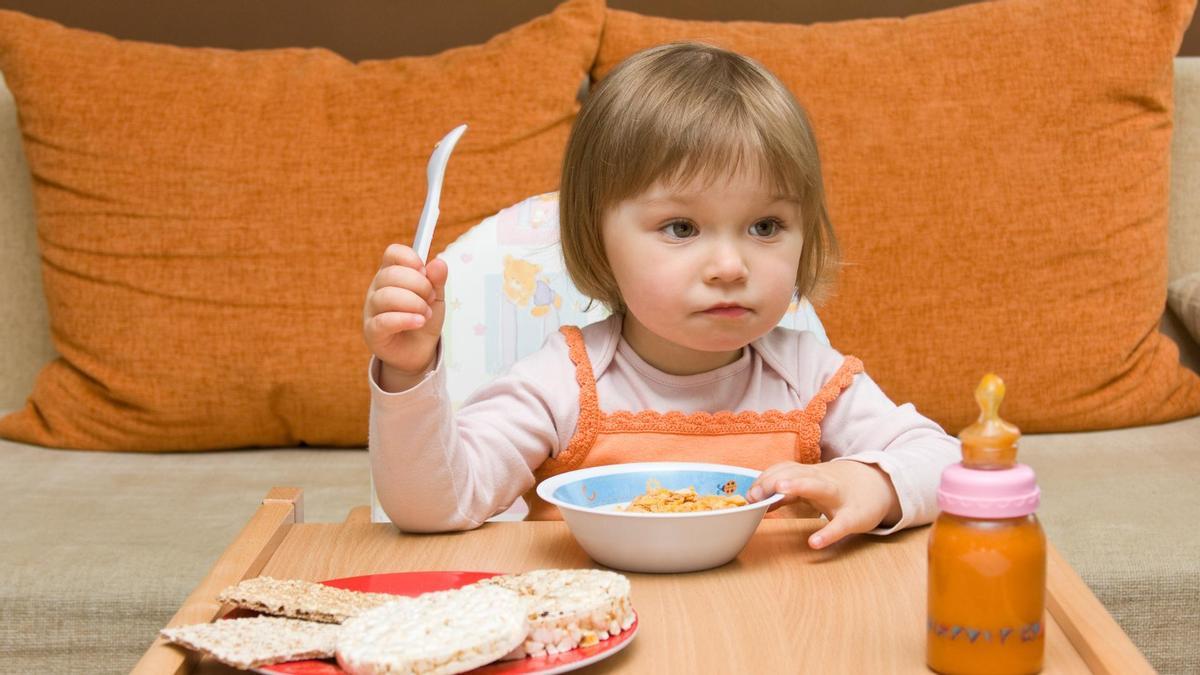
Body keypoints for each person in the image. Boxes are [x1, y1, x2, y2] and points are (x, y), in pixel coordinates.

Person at [362, 41, 960, 548]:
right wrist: (408, 372)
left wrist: (875, 484)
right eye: (681, 228)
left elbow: (950, 466)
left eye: (765, 226)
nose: (729, 266)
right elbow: (436, 506)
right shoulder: (561, 386)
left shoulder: (810, 377)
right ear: (598, 238)